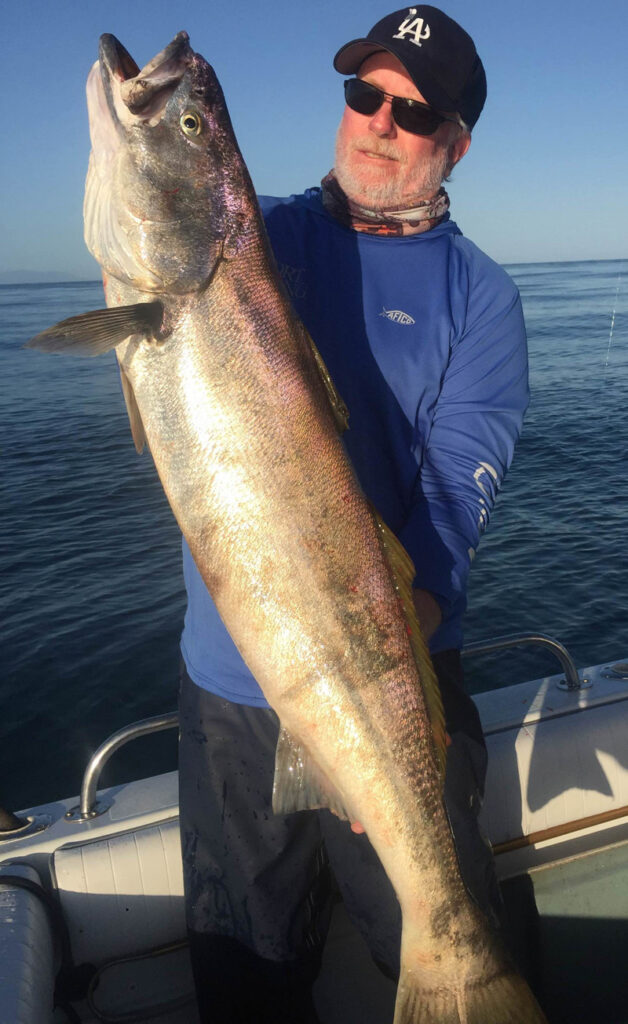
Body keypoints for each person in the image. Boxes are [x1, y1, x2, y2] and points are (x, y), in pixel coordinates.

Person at [178, 6, 529, 1022]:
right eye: (363, 94)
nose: (378, 122)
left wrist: (367, 712)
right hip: (232, 697)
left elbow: (454, 501)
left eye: (411, 112)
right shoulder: (251, 244)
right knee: (245, 978)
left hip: (395, 693)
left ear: (455, 143)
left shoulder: (481, 299)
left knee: (450, 928)